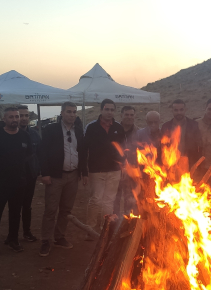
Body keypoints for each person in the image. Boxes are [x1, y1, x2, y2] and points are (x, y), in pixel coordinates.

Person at [0, 106, 34, 255]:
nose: (15, 120)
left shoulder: (25, 136)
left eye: (16, 117)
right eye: (11, 117)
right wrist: (0, 163)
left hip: (19, 181)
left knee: (15, 212)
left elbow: (29, 154)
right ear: (4, 119)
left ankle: (13, 239)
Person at [39, 102, 88, 257]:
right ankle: (46, 240)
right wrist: (45, 173)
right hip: (55, 175)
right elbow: (43, 152)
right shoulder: (50, 129)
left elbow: (82, 153)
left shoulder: (79, 131)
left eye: (74, 112)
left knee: (66, 210)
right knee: (51, 209)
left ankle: (59, 237)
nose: (72, 115)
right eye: (69, 112)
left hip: (73, 175)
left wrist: (84, 173)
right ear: (62, 113)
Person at [85, 99, 125, 233]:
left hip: (114, 170)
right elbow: (85, 149)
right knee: (96, 200)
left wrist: (123, 166)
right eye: (107, 109)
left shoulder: (118, 128)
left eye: (112, 110)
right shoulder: (92, 127)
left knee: (109, 201)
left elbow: (123, 149)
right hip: (96, 170)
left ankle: (104, 229)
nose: (109, 112)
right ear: (101, 110)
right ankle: (90, 228)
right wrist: (84, 170)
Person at [18, 106, 42, 242]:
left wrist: (37, 170)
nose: (24, 118)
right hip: (14, 176)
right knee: (14, 206)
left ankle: (27, 232)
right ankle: (12, 235)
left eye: (26, 115)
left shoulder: (34, 134)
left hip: (30, 175)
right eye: (21, 115)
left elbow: (39, 153)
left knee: (27, 205)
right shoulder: (9, 133)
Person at [114, 106, 140, 214]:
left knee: (130, 199)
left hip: (132, 170)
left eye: (131, 115)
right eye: (126, 114)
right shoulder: (114, 130)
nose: (129, 117)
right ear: (121, 115)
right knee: (114, 199)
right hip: (115, 170)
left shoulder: (139, 132)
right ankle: (113, 224)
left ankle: (128, 224)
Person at [161, 99, 202, 168]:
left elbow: (200, 146)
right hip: (171, 165)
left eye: (181, 110)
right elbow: (162, 147)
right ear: (172, 111)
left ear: (185, 110)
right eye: (176, 110)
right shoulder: (166, 127)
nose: (179, 112)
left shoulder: (193, 125)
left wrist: (197, 165)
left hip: (190, 164)